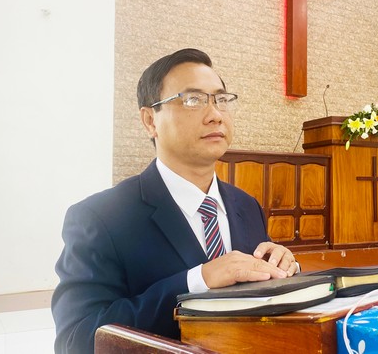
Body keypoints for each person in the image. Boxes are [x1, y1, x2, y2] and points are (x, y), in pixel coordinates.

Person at [52, 48, 298, 353]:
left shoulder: (247, 207)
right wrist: (197, 281)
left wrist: (281, 271)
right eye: (193, 100)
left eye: (221, 100)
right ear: (150, 121)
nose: (215, 115)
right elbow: (76, 340)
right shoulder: (99, 217)